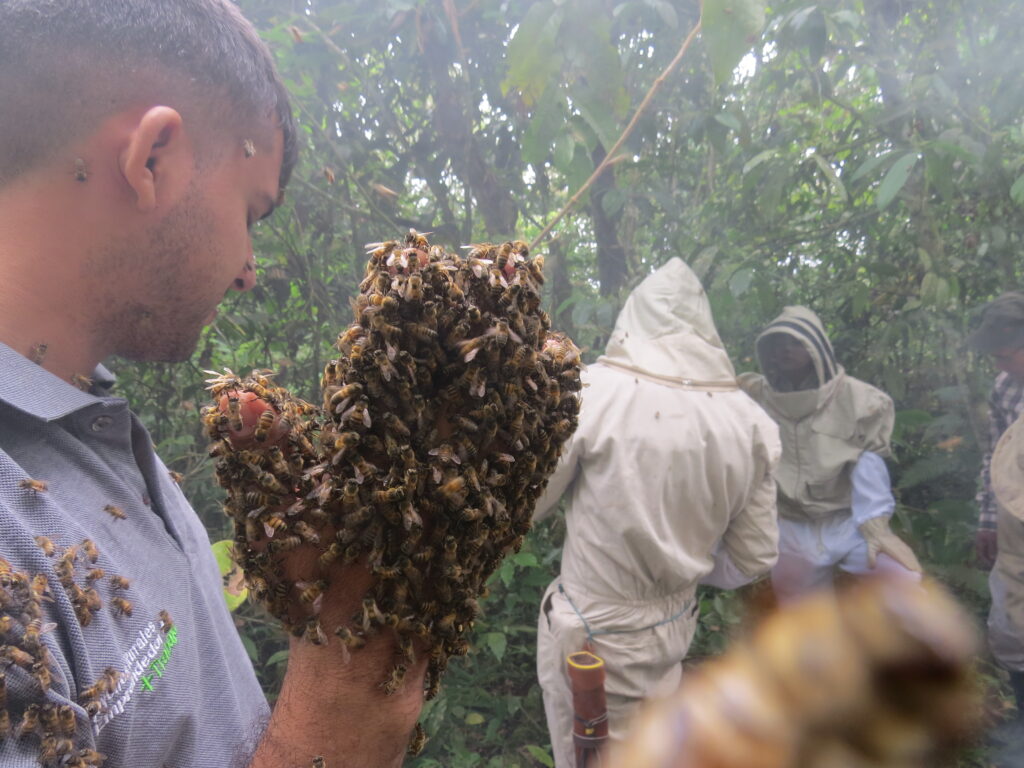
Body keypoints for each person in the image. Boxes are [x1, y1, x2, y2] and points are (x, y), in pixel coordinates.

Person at [0, 2, 421, 766]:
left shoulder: (94, 424)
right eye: (251, 212)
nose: (249, 271)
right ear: (153, 159)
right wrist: (330, 737)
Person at [532, 258, 782, 768]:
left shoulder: (594, 393)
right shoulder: (750, 422)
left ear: (633, 320)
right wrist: (678, 565)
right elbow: (755, 556)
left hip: (592, 629)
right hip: (674, 624)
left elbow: (527, 505)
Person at [738, 306, 921, 603]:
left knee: (904, 583)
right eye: (779, 344)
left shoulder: (859, 400)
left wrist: (876, 526)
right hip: (790, 524)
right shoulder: (751, 395)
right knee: (802, 614)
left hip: (848, 520)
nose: (786, 350)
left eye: (795, 342)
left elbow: (869, 463)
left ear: (817, 347)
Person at [968, 292, 1024, 721]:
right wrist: (987, 520)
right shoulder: (1005, 388)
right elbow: (996, 457)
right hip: (1014, 521)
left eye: (1007, 354)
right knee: (1013, 624)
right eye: (995, 357)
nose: (1000, 365)